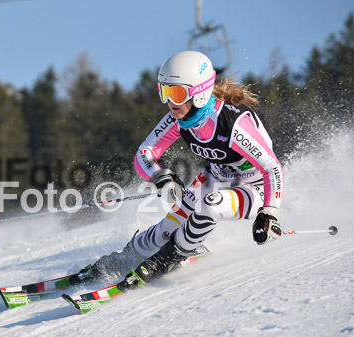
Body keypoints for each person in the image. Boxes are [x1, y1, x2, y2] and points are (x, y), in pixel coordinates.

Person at [74, 50, 283, 290]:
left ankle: (166, 260)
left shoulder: (232, 124)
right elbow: (145, 152)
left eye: (177, 93)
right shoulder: (179, 119)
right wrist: (160, 176)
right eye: (165, 92)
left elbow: (271, 167)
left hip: (254, 187)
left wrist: (270, 213)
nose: (170, 102)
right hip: (216, 177)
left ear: (200, 94)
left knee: (210, 204)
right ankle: (125, 258)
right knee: (167, 228)